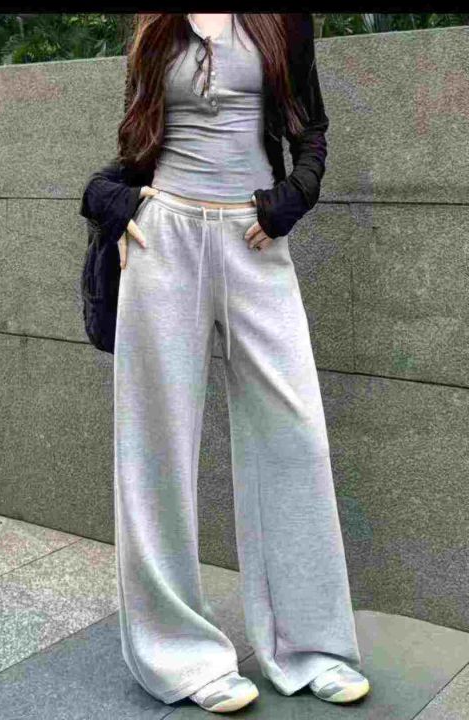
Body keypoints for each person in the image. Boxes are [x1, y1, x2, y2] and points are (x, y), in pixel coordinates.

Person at [80, 12, 371, 713]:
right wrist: (123, 206)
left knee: (296, 437)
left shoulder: (282, 20)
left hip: (253, 240)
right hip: (165, 240)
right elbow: (136, 136)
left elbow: (311, 132)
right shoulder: (155, 26)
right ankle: (179, 656)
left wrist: (291, 199)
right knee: (156, 448)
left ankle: (311, 647)